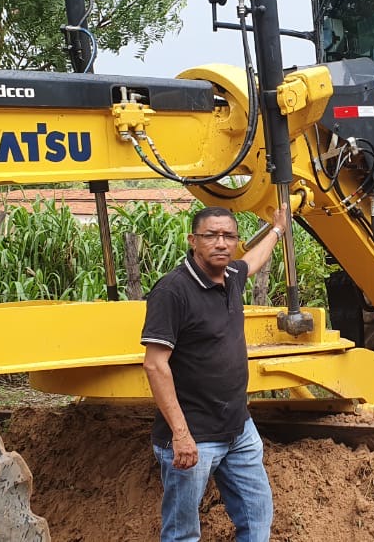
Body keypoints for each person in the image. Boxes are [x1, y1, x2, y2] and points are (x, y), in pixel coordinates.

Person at [141, 205, 290, 542]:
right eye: (211, 235)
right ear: (193, 240)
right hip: (194, 433)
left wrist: (278, 230)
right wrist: (180, 434)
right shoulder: (172, 291)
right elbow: (155, 364)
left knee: (257, 517)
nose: (221, 243)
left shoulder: (232, 277)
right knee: (182, 534)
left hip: (238, 429)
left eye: (229, 236)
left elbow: (253, 261)